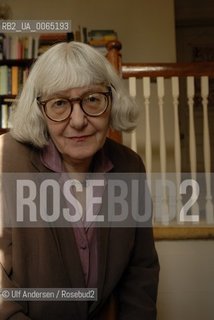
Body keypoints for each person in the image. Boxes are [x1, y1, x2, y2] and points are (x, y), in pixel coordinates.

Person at [0, 41, 159, 320]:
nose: (78, 121)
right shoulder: (5, 158)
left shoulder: (129, 166)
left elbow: (141, 271)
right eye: (60, 103)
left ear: (111, 102)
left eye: (92, 99)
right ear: (40, 110)